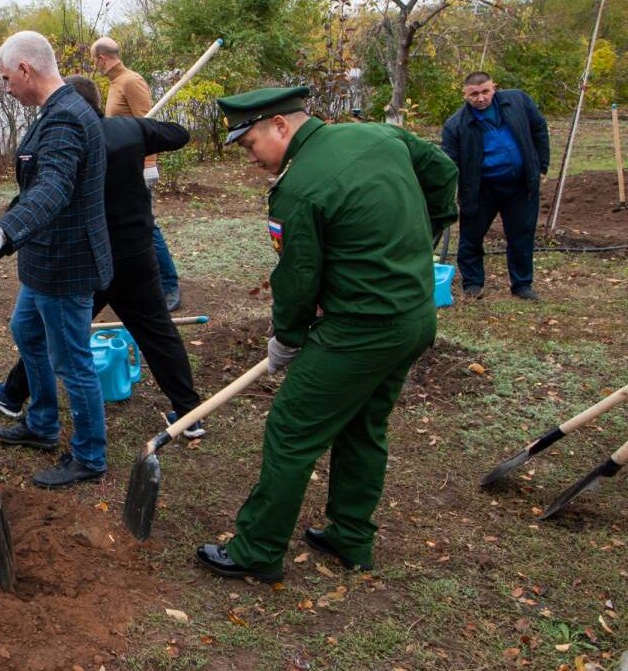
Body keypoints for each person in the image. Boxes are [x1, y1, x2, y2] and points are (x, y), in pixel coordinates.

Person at [196, 86, 457, 582]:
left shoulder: (300, 188)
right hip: (415, 317)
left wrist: (287, 340)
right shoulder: (378, 136)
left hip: (361, 329)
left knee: (292, 430)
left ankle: (257, 549)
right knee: (363, 424)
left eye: (250, 144)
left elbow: (296, 280)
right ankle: (350, 536)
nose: (252, 159)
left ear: (279, 125)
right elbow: (444, 171)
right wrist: (424, 234)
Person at [0, 75, 207, 438]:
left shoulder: (65, 139)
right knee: (156, 330)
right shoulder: (126, 130)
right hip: (134, 253)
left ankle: (15, 393)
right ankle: (190, 412)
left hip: (89, 255)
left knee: (55, 331)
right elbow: (179, 133)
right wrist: (141, 129)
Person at [0, 31, 113, 489]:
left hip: (66, 265)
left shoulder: (66, 118)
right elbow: (34, 190)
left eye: (7, 78)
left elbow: (53, 190)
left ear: (26, 69)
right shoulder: (53, 112)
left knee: (72, 361)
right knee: (26, 330)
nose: (6, 88)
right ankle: (42, 425)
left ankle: (89, 456)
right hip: (44, 259)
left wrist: (3, 230)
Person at [91, 36, 182, 312]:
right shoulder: (115, 84)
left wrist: (149, 166)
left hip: (139, 167)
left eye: (95, 62)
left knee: (147, 226)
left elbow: (148, 126)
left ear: (102, 59)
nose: (95, 67)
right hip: (123, 168)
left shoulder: (131, 81)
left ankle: (169, 285)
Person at [441, 71, 549, 301]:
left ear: (494, 88)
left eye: (485, 92)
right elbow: (448, 162)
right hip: (481, 189)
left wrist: (541, 166)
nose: (481, 98)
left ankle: (522, 285)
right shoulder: (456, 125)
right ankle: (472, 284)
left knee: (521, 235)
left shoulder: (518, 101)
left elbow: (539, 128)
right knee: (471, 237)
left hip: (521, 185)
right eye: (474, 94)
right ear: (465, 94)